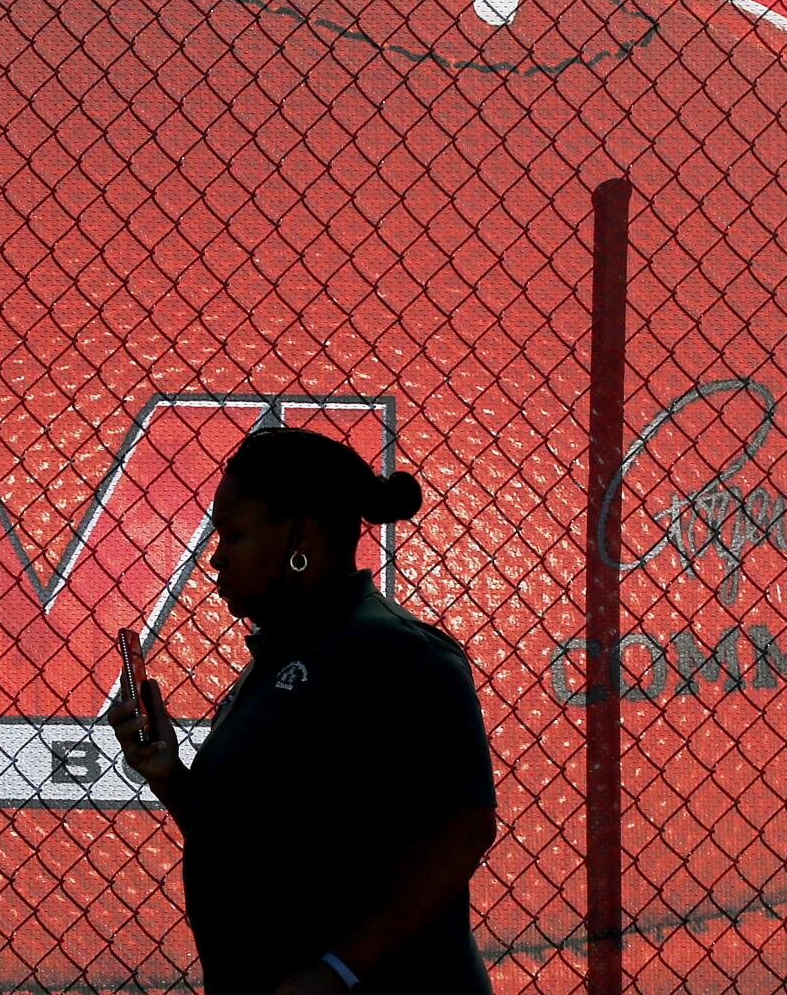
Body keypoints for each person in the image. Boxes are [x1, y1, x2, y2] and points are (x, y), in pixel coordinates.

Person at [107, 426, 498, 994]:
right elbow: (262, 847)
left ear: (302, 541)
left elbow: (465, 829)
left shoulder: (398, 653)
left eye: (233, 534)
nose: (214, 557)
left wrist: (336, 972)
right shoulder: (281, 655)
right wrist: (171, 778)